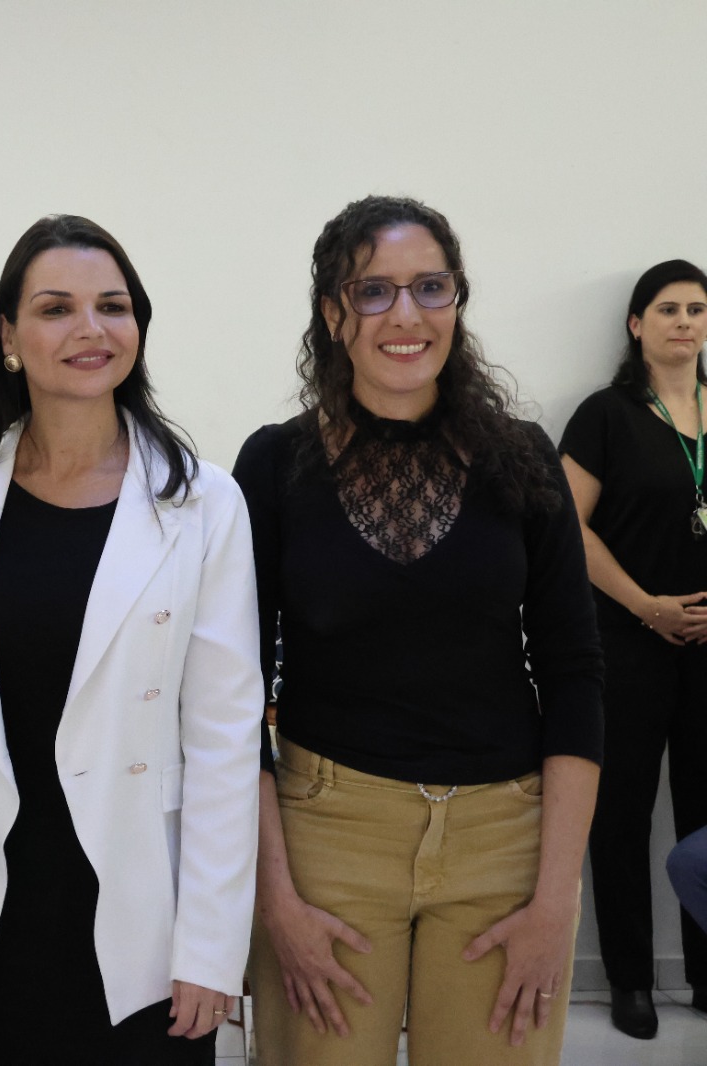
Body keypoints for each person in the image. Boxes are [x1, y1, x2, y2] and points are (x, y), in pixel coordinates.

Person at [235, 195, 604, 1066]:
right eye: (373, 291)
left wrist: (557, 902)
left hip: (503, 843)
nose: (406, 315)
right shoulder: (275, 465)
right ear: (332, 313)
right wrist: (274, 899)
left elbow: (575, 672)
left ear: (457, 300)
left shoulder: (523, 456)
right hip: (327, 838)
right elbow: (232, 693)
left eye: (430, 287)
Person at [0, 214, 261, 1065]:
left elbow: (225, 736)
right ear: (8, 337)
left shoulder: (204, 503)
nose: (90, 329)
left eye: (112, 306)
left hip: (139, 907)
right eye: (56, 308)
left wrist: (211, 948)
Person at [560, 258, 707, 1036]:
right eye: (669, 309)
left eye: (697, 310)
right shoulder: (606, 415)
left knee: (705, 815)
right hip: (626, 640)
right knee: (620, 813)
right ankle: (630, 981)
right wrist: (647, 606)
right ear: (636, 323)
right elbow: (568, 528)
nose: (685, 322)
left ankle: (706, 975)